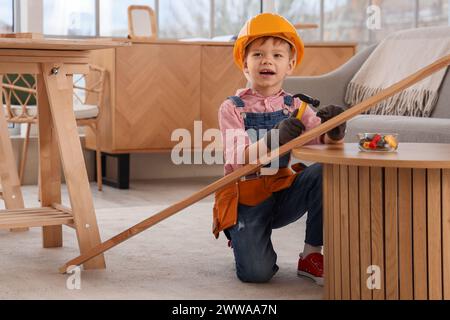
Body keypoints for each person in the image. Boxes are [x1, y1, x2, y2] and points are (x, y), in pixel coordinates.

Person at [212, 13, 346, 285]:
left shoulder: (295, 107)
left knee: (324, 171)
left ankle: (311, 255)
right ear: (244, 64)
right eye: (258, 54)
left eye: (277, 55)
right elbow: (239, 158)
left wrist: (332, 132)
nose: (267, 60)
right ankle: (241, 236)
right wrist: (274, 139)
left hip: (283, 192)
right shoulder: (232, 108)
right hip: (247, 200)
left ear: (290, 65)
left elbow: (318, 143)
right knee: (256, 274)